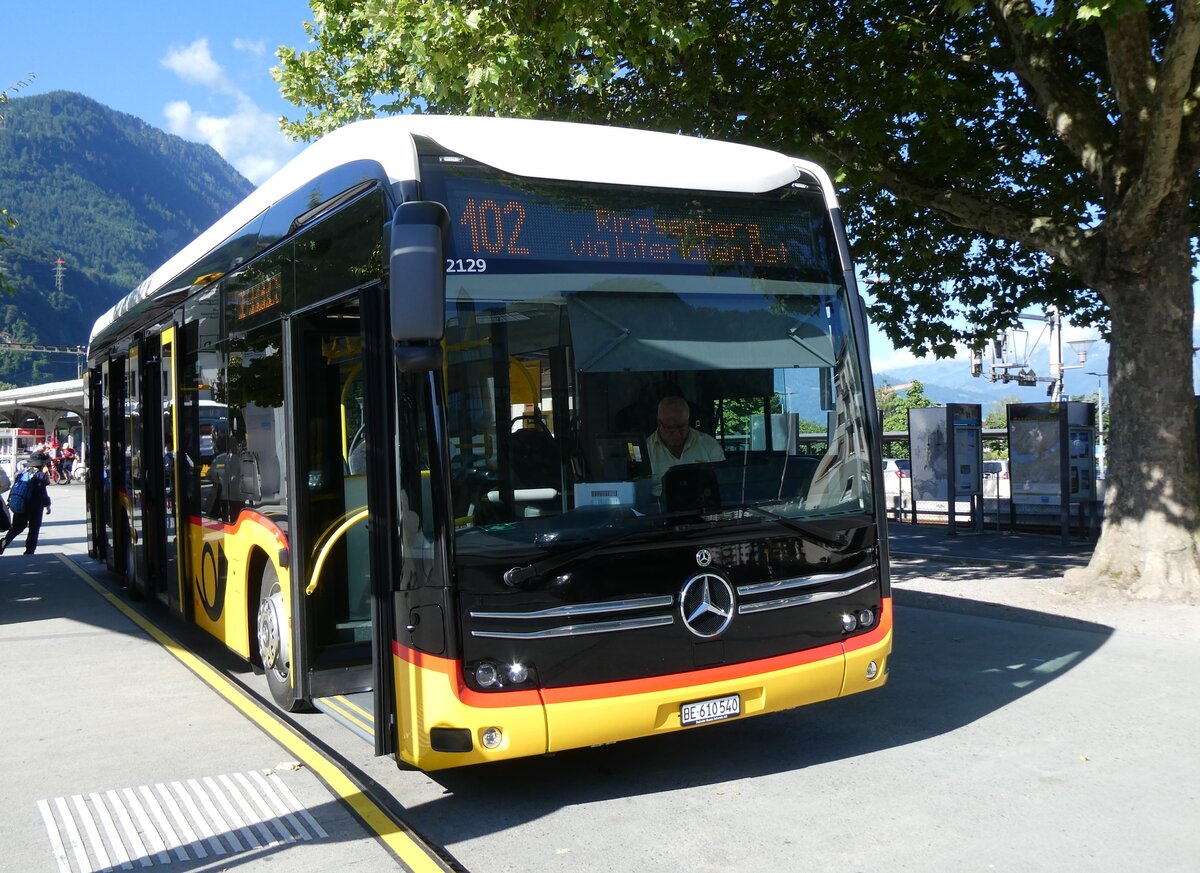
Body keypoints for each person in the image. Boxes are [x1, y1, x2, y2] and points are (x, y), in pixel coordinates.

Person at [646, 396, 725, 497]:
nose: (676, 434)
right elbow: (640, 496)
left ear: (688, 420)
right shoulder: (645, 451)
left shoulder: (709, 446)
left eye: (682, 427)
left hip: (703, 508)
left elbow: (723, 487)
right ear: (658, 422)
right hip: (661, 510)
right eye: (670, 428)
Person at [1, 452, 52, 555]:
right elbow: (42, 492)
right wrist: (47, 504)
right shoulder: (41, 475)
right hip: (35, 506)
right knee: (34, 529)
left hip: (21, 503)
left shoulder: (22, 472)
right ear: (42, 464)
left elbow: (15, 487)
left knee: (17, 527)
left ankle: (4, 542)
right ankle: (29, 551)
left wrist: (9, 500)